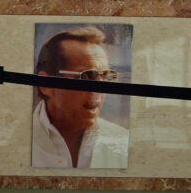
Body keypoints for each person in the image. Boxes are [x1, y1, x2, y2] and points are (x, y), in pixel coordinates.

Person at [31, 26, 128, 169]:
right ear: (46, 85)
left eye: (106, 76)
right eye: (88, 76)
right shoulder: (20, 141)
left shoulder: (123, 141)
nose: (100, 88)